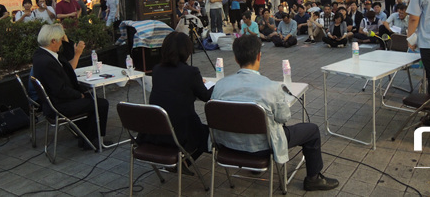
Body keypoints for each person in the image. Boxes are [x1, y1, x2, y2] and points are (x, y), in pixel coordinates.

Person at [210, 35, 339, 191]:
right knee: (311, 130)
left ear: (236, 59)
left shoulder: (220, 86)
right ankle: (313, 178)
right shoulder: (271, 87)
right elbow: (284, 117)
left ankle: (255, 168)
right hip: (264, 147)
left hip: (227, 145)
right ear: (259, 56)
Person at [140, 31, 212, 166]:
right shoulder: (191, 72)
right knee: (209, 135)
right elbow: (206, 96)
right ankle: (184, 163)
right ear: (187, 50)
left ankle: (182, 162)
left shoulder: (157, 70)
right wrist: (216, 86)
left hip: (154, 132)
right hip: (179, 133)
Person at [32, 24, 109, 149]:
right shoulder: (47, 61)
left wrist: (68, 43)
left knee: (90, 96)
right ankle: (93, 140)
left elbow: (65, 64)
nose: (61, 43)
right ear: (53, 41)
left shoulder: (41, 54)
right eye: (60, 40)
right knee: (100, 103)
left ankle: (85, 135)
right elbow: (60, 90)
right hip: (58, 106)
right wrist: (79, 95)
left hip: (52, 102)